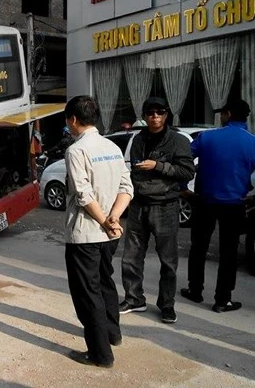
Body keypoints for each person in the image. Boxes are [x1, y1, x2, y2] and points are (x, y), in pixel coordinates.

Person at [181, 99, 255, 313]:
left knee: (198, 248)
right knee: (228, 253)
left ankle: (195, 290)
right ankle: (223, 300)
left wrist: (183, 187)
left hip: (204, 201)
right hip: (235, 204)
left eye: (222, 113)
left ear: (228, 114)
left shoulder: (207, 138)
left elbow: (182, 161)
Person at [63, 95, 133, 368]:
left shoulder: (76, 150)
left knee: (87, 293)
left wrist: (104, 220)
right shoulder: (112, 147)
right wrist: (114, 218)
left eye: (68, 122)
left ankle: (100, 354)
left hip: (86, 234)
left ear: (73, 120)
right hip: (109, 234)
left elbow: (83, 194)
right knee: (105, 282)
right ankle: (113, 335)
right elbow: (127, 188)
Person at [118, 97, 195, 324]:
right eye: (150, 113)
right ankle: (134, 298)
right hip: (139, 204)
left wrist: (158, 166)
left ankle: (167, 305)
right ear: (144, 115)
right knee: (131, 257)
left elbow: (187, 172)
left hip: (166, 206)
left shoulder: (178, 141)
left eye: (159, 112)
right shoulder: (139, 138)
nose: (155, 117)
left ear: (166, 114)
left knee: (168, 261)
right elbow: (133, 170)